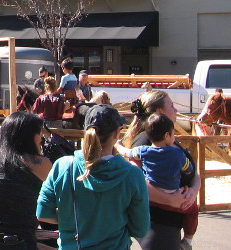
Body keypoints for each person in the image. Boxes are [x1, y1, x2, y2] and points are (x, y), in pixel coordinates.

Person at [37, 104, 150, 249]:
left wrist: (71, 220)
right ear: (116, 134)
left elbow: (43, 213)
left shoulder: (63, 166)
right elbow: (140, 229)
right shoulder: (133, 175)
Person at [123, 91, 201, 250]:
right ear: (159, 111)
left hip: (171, 222)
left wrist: (193, 190)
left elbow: (193, 172)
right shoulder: (147, 141)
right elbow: (137, 180)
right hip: (158, 223)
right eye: (171, 106)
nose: (176, 110)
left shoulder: (168, 138)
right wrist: (171, 200)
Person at [0, 112, 52, 250]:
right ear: (28, 136)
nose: (42, 137)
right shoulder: (40, 163)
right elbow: (50, 200)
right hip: (13, 236)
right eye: (39, 132)